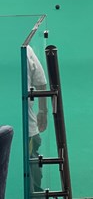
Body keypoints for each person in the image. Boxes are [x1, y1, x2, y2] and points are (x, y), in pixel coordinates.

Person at [27, 45, 48, 192]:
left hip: (28, 129)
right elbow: (41, 81)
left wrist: (42, 110)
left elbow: (41, 82)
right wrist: (42, 111)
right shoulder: (26, 49)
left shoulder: (26, 49)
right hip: (28, 130)